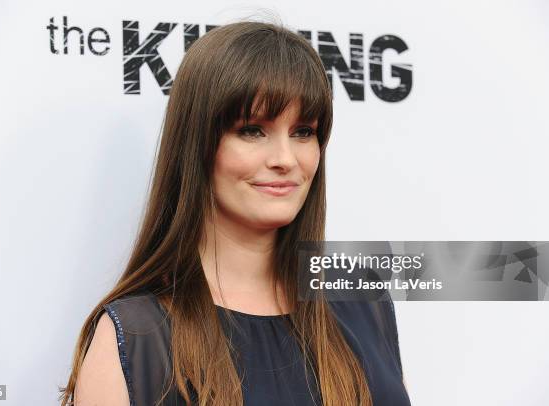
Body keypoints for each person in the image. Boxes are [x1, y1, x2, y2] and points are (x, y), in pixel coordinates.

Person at [59, 20, 411, 406]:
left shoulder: (364, 302)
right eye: (252, 130)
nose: (285, 159)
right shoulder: (137, 337)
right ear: (199, 144)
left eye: (304, 131)